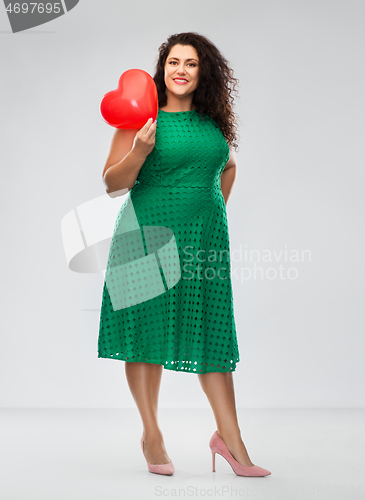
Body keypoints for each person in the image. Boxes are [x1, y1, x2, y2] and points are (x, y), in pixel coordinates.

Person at [98, 32, 271, 478]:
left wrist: (215, 214)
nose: (180, 70)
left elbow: (227, 166)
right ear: (162, 69)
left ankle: (231, 441)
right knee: (146, 335)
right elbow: (113, 184)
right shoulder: (142, 117)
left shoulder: (213, 121)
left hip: (203, 241)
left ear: (202, 72)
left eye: (190, 63)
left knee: (213, 336)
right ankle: (151, 434)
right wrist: (140, 149)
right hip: (146, 234)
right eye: (173, 61)